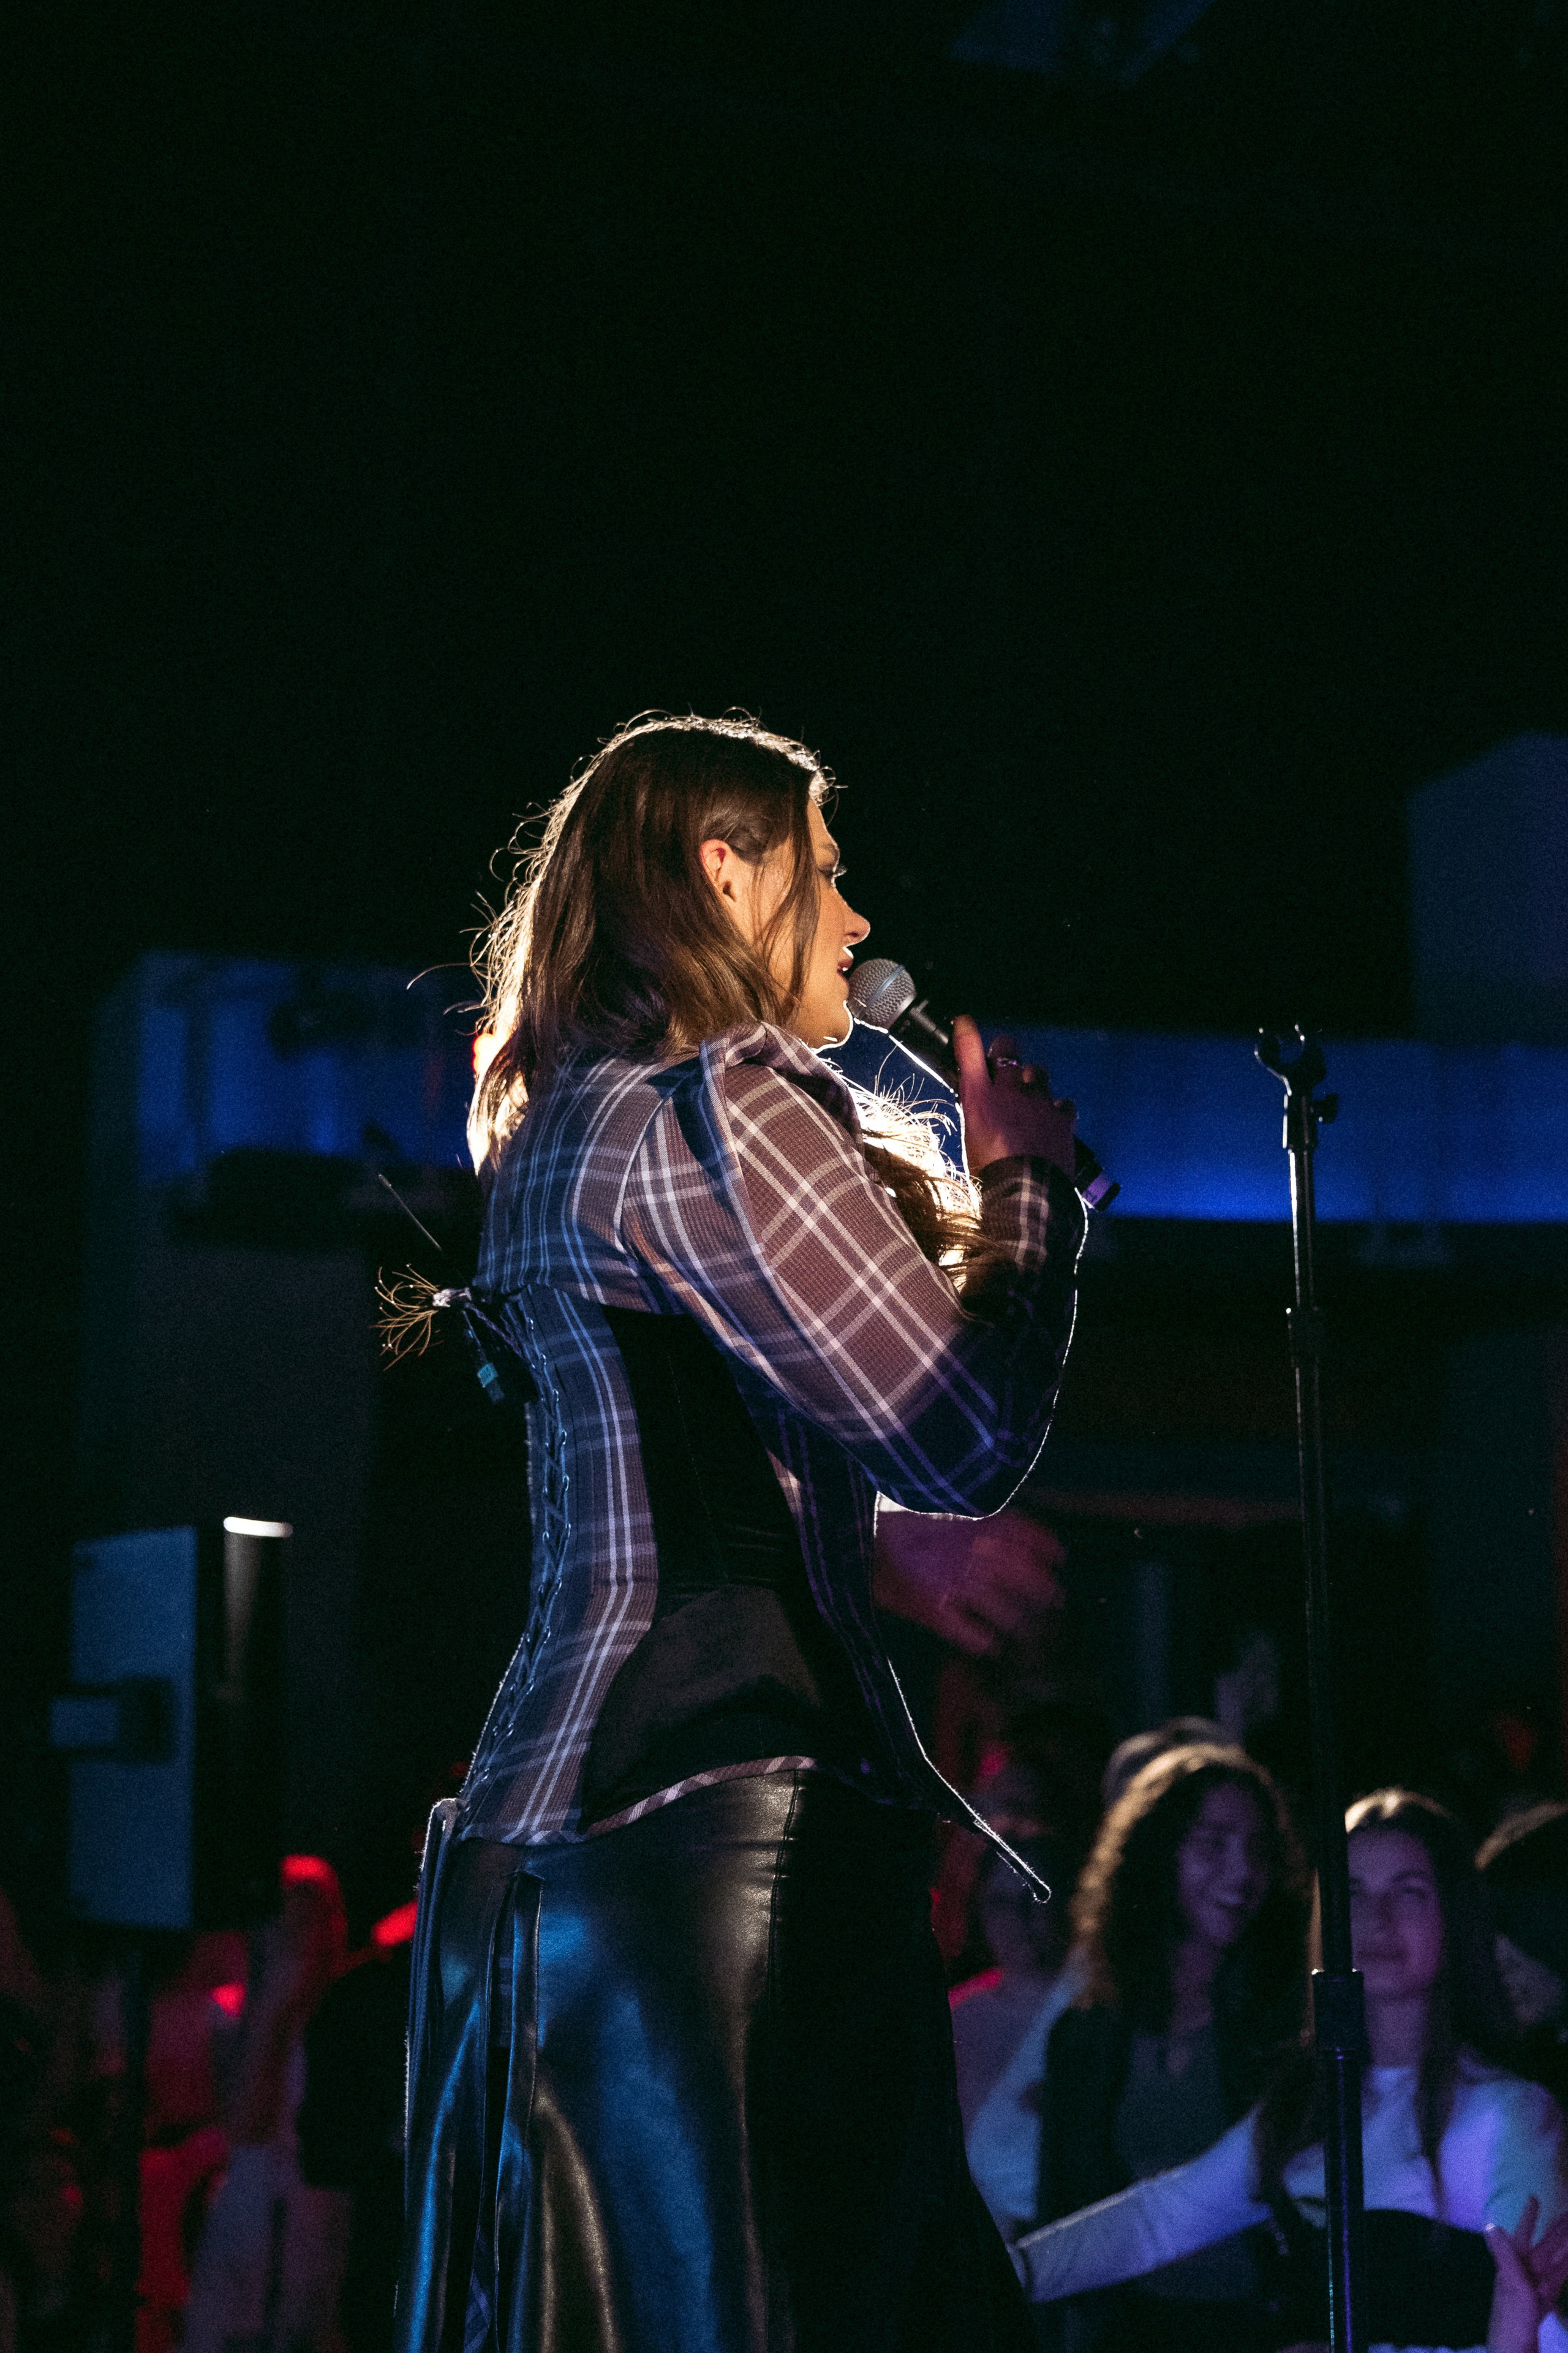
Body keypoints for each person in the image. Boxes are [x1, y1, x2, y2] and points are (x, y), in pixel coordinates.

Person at [391, 713, 1088, 2353]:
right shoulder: (721, 1100)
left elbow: (703, 1428)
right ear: (728, 873)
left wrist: (864, 1545)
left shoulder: (565, 1118)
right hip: (718, 1832)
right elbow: (960, 1430)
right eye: (828, 878)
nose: (854, 923)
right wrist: (1032, 1196)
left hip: (548, 1837)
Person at [1017, 1789, 1568, 2353]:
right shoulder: (1306, 2104)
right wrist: (1003, 2273)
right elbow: (1155, 2222)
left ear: (1454, 1915)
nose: (1375, 1919)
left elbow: (1551, 2337)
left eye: (1409, 1893)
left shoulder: (1506, 2113)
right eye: (1351, 1893)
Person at [1032, 1742, 1308, 2351]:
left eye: (1258, 1848)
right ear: (1159, 1854)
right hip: (1131, 2334)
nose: (1242, 1871)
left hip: (1264, 2331)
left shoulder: (1288, 2025)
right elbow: (1064, 2212)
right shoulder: (1088, 2036)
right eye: (1213, 1843)